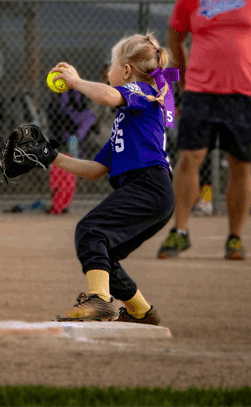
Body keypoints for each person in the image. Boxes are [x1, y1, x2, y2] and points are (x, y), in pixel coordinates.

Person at [48, 33, 177, 325]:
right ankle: (141, 312)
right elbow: (95, 169)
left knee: (91, 231)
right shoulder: (127, 119)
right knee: (103, 252)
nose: (109, 71)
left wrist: (76, 82)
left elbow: (107, 96)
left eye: (112, 64)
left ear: (127, 71)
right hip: (151, 191)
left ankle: (101, 302)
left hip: (149, 185)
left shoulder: (143, 93)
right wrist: (51, 157)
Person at [157, 0, 251, 261]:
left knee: (240, 165)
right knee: (189, 158)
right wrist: (181, 77)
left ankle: (234, 237)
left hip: (246, 92)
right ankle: (180, 231)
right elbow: (175, 34)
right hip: (201, 91)